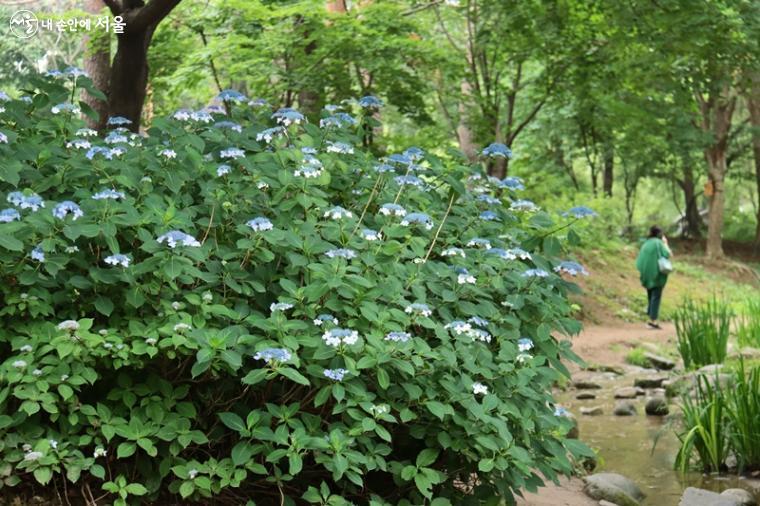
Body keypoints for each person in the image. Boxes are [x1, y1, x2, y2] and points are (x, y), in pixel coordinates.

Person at [635, 226, 672, 329]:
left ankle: (650, 318)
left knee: (651, 295)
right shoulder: (659, 243)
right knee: (656, 296)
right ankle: (653, 321)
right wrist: (665, 243)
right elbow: (668, 254)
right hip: (656, 274)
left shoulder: (646, 243)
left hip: (646, 274)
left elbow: (639, 260)